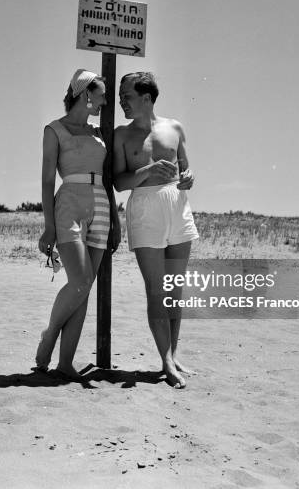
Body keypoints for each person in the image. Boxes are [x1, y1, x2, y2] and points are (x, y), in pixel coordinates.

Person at [113, 72, 199, 388]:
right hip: (145, 208)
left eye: (127, 96)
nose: (122, 101)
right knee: (156, 289)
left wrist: (189, 177)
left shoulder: (174, 128)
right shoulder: (121, 135)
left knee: (175, 288)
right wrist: (147, 170)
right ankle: (165, 361)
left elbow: (186, 168)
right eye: (121, 96)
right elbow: (119, 182)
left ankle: (173, 355)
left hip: (178, 206)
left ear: (147, 98)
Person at [36, 69, 121, 379]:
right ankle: (49, 336)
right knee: (80, 281)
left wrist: (114, 216)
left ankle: (65, 363)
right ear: (86, 93)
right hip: (68, 204)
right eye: (101, 96)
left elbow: (108, 178)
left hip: (100, 203)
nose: (105, 102)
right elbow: (47, 181)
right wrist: (48, 225)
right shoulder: (54, 130)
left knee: (85, 289)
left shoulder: (100, 132)